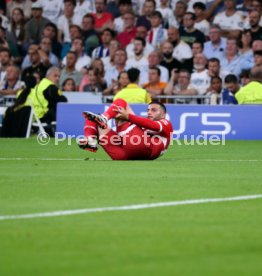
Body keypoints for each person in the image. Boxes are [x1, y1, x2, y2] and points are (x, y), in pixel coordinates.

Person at [79, 99, 173, 160]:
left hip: (143, 146)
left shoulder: (166, 123)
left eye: (153, 110)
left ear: (163, 115)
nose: (149, 112)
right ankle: (90, 140)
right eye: (148, 110)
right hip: (123, 155)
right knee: (93, 119)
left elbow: (154, 126)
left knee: (121, 103)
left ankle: (105, 117)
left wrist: (128, 116)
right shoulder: (143, 126)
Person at [29, 67, 67, 131]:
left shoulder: (38, 85)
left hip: (35, 117)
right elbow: (63, 100)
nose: (57, 78)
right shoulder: (50, 86)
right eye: (55, 76)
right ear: (47, 76)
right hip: (46, 116)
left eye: (59, 76)